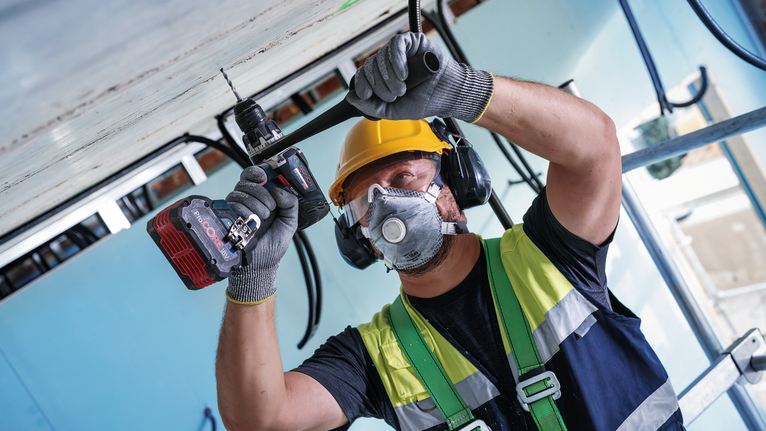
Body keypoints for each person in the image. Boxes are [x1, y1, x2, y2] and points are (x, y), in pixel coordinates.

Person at [215, 32, 684, 431]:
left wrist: (462, 90)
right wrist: (253, 276)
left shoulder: (548, 256)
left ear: (452, 189)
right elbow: (262, 421)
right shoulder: (373, 360)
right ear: (361, 240)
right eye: (365, 200)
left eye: (402, 179)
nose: (385, 206)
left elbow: (596, 147)